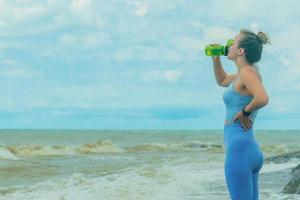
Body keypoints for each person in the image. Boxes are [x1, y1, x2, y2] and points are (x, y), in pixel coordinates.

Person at [211, 28, 271, 200]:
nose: (229, 44)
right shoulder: (243, 74)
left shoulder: (247, 73)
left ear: (240, 51)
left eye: (233, 41)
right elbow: (222, 80)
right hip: (248, 147)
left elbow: (263, 98)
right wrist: (216, 59)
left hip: (240, 149)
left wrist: (245, 111)